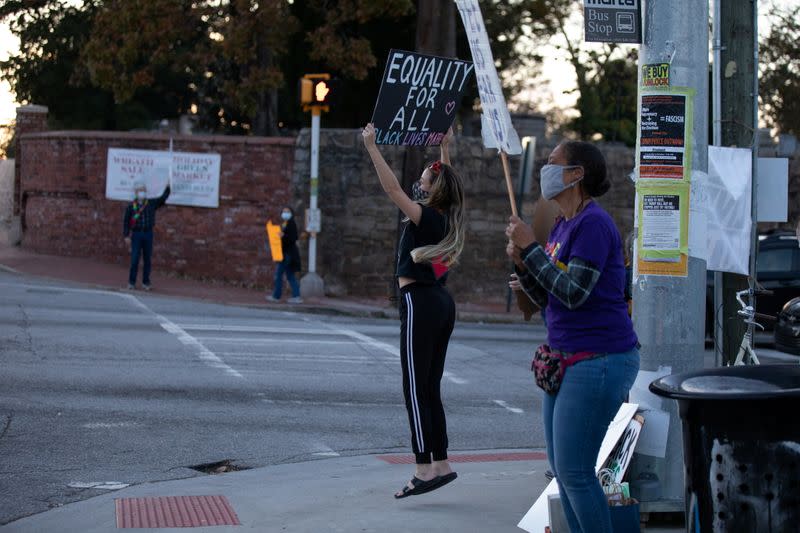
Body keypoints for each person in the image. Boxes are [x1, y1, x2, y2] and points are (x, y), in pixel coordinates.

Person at [506, 141, 639, 533]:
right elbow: (549, 298)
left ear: (576, 174)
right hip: (567, 358)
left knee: (577, 472)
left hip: (599, 360)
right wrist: (525, 263)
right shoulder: (564, 224)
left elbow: (573, 293)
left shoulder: (593, 225)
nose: (545, 169)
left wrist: (531, 249)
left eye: (553, 163)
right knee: (563, 472)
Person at [362, 124, 465, 499]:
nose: (417, 185)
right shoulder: (446, 216)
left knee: (415, 388)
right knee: (429, 387)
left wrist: (372, 147)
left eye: (423, 180)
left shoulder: (426, 216)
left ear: (432, 190)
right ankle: (441, 463)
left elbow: (391, 189)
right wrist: (445, 148)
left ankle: (423, 469)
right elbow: (447, 181)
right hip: (439, 302)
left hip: (420, 301)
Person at [123, 180, 170, 290]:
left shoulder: (151, 204)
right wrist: (126, 235)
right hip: (136, 234)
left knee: (147, 259)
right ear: (135, 192)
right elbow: (126, 222)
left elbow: (162, 198)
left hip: (148, 233)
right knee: (134, 259)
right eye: (139, 191)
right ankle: (131, 282)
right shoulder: (131, 207)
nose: (141, 193)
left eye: (143, 190)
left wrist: (168, 188)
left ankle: (146, 282)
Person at [267, 206, 303, 304]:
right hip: (286, 253)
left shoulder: (291, 224)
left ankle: (276, 296)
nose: (285, 213)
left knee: (278, 274)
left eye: (287, 211)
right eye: (284, 211)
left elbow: (293, 238)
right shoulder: (284, 224)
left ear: (291, 213)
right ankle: (296, 295)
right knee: (290, 275)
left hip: (287, 254)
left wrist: (283, 236)